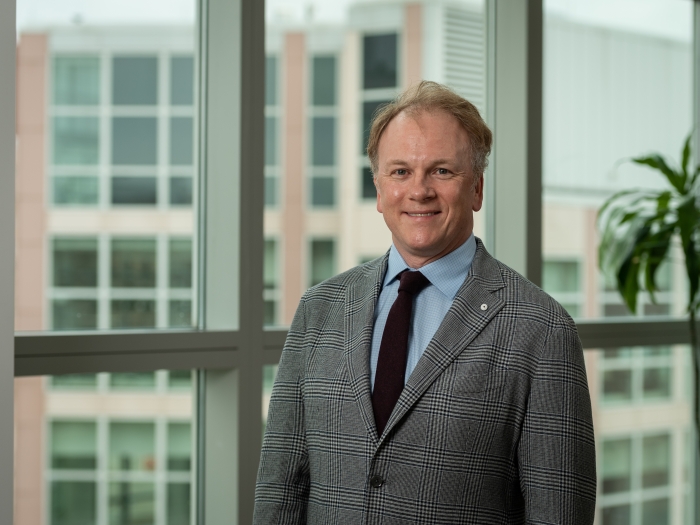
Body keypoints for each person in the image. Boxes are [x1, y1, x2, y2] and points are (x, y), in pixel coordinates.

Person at [253, 81, 596, 524]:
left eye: (442, 171)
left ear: (476, 189)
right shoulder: (320, 309)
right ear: (378, 190)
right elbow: (280, 490)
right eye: (400, 172)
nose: (419, 191)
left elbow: (559, 512)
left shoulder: (542, 329)